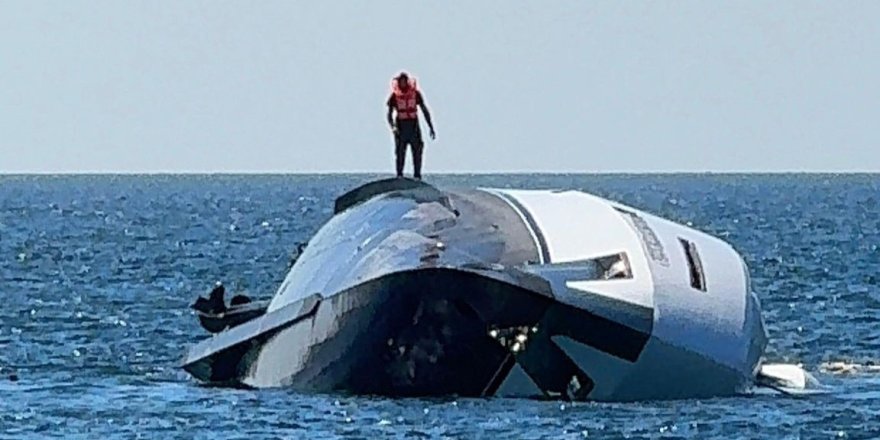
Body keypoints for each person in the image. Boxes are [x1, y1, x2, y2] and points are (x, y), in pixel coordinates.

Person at [386, 72, 436, 180]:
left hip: (413, 125)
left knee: (417, 150)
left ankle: (417, 176)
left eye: (404, 81)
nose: (402, 83)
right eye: (400, 81)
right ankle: (399, 176)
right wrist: (393, 127)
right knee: (400, 152)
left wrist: (430, 127)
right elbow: (389, 114)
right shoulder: (394, 96)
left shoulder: (415, 94)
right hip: (400, 126)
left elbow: (424, 110)